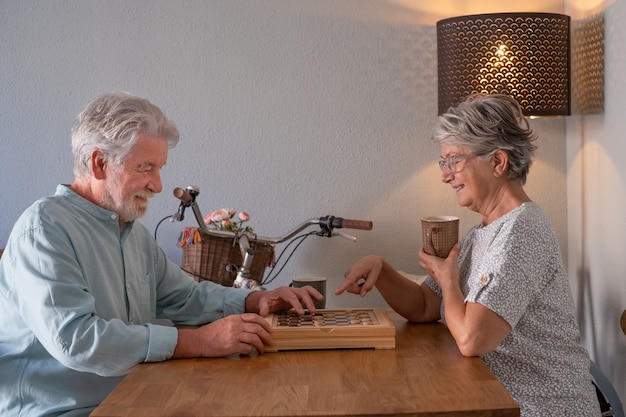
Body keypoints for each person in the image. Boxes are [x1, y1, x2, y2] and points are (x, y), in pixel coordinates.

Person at [0, 92, 323, 417]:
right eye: (146, 168)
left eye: (160, 168)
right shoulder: (44, 229)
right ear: (100, 164)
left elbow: (183, 297)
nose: (157, 185)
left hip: (132, 397)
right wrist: (199, 342)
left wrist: (256, 301)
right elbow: (77, 340)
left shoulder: (131, 233)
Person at [336, 94, 600, 416]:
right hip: (496, 401)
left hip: (542, 409)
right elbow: (424, 306)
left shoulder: (522, 231)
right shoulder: (483, 233)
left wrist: (449, 283)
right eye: (443, 163)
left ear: (498, 162)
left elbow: (473, 339)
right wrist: (381, 267)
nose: (445, 175)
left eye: (454, 161)